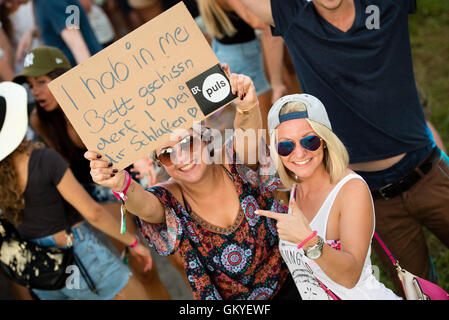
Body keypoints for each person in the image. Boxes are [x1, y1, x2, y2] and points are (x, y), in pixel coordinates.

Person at [239, 0, 449, 294]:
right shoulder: (295, 16)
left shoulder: (387, 4)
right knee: (417, 292)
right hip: (374, 199)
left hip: (428, 170)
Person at [84, 67, 301, 300]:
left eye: (187, 142)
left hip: (298, 282)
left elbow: (247, 137)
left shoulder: (233, 160)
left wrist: (246, 104)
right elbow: (145, 206)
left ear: (205, 137)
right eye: (167, 154)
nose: (181, 158)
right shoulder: (169, 199)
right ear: (160, 163)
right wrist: (120, 183)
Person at [13, 45, 171, 299]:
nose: (36, 91)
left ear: (61, 77)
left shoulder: (89, 102)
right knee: (143, 268)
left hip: (130, 176)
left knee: (174, 250)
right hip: (98, 192)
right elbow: (63, 167)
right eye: (31, 85)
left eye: (42, 82)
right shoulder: (39, 119)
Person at [255, 94, 400, 300]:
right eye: (286, 146)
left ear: (324, 141)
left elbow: (350, 276)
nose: (299, 153)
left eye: (309, 141)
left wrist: (309, 241)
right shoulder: (296, 189)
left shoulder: (351, 189)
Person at [197, 0, 286, 137]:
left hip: (226, 49)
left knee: (259, 122)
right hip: (242, 56)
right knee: (264, 126)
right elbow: (262, 22)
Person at [32, 0, 103, 66]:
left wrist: (88, 76)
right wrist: (32, 33)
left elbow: (77, 46)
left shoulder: (50, 2)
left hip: (86, 69)